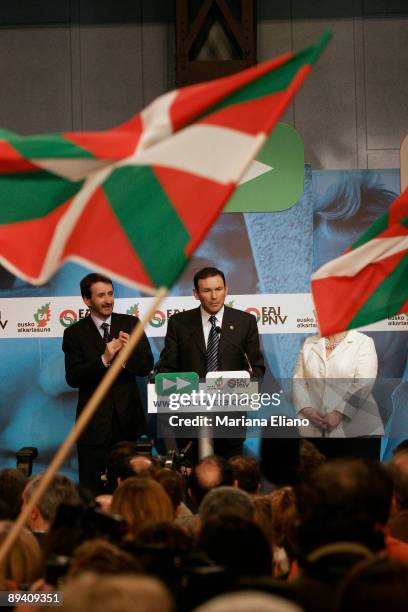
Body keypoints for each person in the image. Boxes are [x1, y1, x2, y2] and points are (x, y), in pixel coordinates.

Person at [157, 266, 265, 458]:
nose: (214, 296)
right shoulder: (179, 323)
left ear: (226, 289)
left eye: (218, 289)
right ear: (196, 294)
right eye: (207, 291)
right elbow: (167, 370)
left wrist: (245, 379)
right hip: (190, 422)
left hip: (230, 421)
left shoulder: (244, 322)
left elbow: (257, 369)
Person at [62, 272, 153, 494]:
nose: (108, 300)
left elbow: (146, 366)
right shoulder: (74, 333)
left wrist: (126, 355)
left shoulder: (131, 323)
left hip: (128, 424)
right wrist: (104, 359)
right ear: (87, 300)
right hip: (93, 427)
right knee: (92, 492)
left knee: (131, 491)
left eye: (111, 294)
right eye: (101, 295)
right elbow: (73, 378)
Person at [292, 330, 383, 438]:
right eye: (316, 314)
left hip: (358, 429)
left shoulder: (363, 342)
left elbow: (364, 382)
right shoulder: (309, 342)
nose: (317, 319)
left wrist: (339, 413)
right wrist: (307, 409)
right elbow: (298, 381)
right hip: (314, 427)